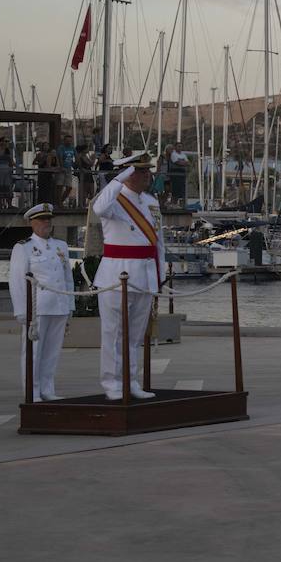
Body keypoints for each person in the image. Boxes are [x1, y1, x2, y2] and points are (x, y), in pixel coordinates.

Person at [91, 152, 166, 401]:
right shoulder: (113, 200)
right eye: (141, 171)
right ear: (129, 174)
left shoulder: (151, 202)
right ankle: (112, 383)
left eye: (147, 171)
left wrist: (160, 271)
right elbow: (98, 207)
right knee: (113, 335)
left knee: (134, 336)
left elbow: (159, 242)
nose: (147, 175)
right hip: (117, 274)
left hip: (144, 274)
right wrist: (120, 177)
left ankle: (131, 381)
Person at [8, 203, 73, 401]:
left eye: (49, 219)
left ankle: (47, 389)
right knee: (33, 352)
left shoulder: (60, 246)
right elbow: (17, 280)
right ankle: (32, 392)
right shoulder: (23, 247)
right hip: (37, 309)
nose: (46, 223)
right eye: (42, 219)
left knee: (52, 353)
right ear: (32, 222)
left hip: (59, 305)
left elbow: (67, 277)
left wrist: (70, 306)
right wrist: (21, 310)